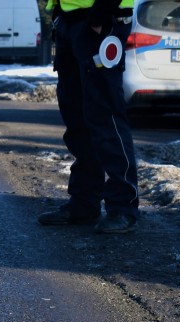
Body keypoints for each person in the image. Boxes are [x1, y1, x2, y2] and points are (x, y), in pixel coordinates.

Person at [38, 0, 140, 234]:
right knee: (76, 116)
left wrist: (101, 15)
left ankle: (123, 207)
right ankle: (84, 203)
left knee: (106, 114)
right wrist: (58, 14)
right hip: (70, 21)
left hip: (101, 20)